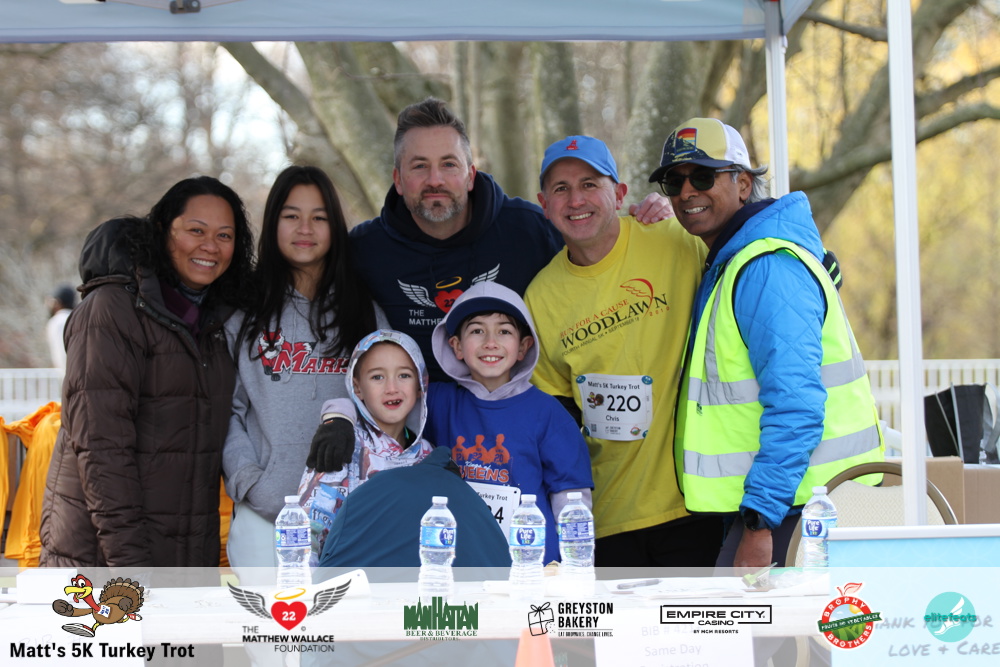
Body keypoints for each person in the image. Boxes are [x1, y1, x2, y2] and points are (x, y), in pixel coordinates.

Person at [648, 117, 884, 570]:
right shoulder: (736, 259)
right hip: (789, 505)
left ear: (742, 184)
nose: (686, 192)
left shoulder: (765, 267)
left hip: (798, 513)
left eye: (702, 176)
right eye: (673, 182)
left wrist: (759, 524)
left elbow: (796, 405)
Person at [349, 97, 672, 381]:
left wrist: (652, 218)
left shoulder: (528, 229)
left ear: (470, 175)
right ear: (398, 180)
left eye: (449, 164)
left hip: (516, 411)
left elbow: (595, 243)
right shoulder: (366, 249)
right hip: (413, 417)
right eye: (419, 166)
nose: (435, 180)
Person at [524, 135, 722, 567]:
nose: (576, 200)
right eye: (561, 189)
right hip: (606, 517)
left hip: (696, 503)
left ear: (619, 194)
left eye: (589, 184)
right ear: (544, 204)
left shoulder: (673, 238)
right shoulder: (540, 297)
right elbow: (557, 419)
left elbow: (748, 252)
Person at [39, 176, 255, 567]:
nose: (211, 245)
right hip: (102, 561)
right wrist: (132, 570)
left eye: (225, 235)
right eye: (196, 230)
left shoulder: (216, 323)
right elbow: (102, 452)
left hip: (184, 557)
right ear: (161, 230)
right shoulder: (111, 310)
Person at [223, 165, 385, 568]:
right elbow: (226, 411)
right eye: (291, 216)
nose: (305, 229)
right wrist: (249, 481)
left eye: (319, 217)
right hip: (265, 515)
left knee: (344, 612)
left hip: (351, 516)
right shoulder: (244, 313)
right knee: (273, 614)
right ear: (273, 223)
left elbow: (390, 406)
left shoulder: (365, 313)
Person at [424, 281, 594, 565]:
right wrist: (342, 414)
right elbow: (379, 404)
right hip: (461, 562)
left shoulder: (548, 412)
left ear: (523, 347)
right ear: (456, 346)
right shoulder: (438, 402)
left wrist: (574, 566)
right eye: (477, 331)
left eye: (504, 331)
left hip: (532, 566)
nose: (490, 342)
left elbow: (571, 499)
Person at [299, 329, 434, 563]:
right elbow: (307, 530)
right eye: (377, 377)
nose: (392, 388)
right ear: (358, 388)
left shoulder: (428, 455)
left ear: (420, 384)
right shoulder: (343, 445)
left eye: (404, 375)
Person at [45, 284, 76, 370]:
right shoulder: (77, 317)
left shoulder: (58, 321)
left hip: (71, 372)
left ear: (57, 303)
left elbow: (62, 353)